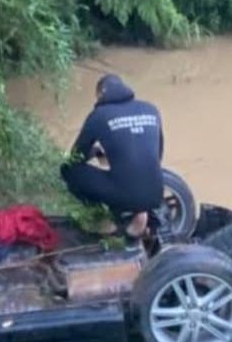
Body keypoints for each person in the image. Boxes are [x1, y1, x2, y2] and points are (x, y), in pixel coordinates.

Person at [61, 74, 164, 236]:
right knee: (140, 172)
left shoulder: (99, 115)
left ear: (101, 93)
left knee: (68, 169)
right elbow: (157, 154)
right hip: (156, 193)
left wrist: (95, 152)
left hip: (124, 194)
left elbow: (77, 156)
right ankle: (141, 217)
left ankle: (105, 223)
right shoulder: (151, 109)